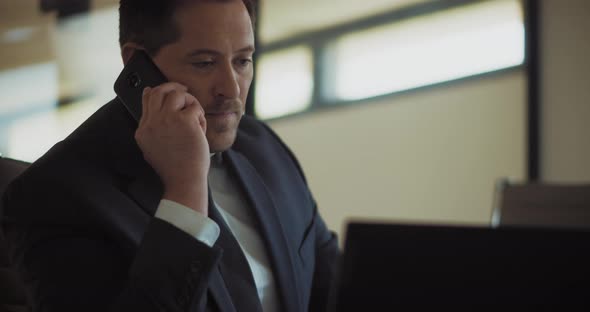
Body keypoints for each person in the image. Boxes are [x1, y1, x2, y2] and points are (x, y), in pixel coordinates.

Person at [0, 0, 339, 311]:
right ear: (136, 63)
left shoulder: (264, 147)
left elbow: (334, 287)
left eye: (242, 61)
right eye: (205, 63)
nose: (232, 89)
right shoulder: (53, 196)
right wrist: (185, 189)